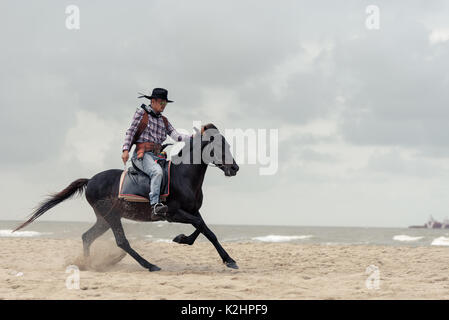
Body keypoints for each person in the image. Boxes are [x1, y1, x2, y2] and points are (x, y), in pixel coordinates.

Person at [121, 88, 190, 215]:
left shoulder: (164, 120)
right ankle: (154, 205)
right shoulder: (141, 114)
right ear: (153, 101)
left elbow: (176, 136)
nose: (164, 106)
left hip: (159, 156)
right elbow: (130, 132)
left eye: (166, 103)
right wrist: (126, 150)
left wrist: (194, 138)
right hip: (142, 156)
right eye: (162, 103)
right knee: (157, 172)